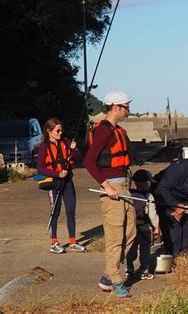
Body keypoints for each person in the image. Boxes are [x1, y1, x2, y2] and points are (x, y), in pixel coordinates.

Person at [84, 90, 136, 298]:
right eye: (125, 107)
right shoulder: (104, 131)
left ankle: (107, 276)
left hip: (124, 186)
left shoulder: (118, 130)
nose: (128, 110)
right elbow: (89, 161)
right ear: (115, 107)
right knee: (115, 236)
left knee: (130, 232)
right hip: (112, 189)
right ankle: (116, 281)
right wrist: (106, 186)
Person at [37, 118, 85, 254]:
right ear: (49, 131)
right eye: (57, 130)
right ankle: (54, 243)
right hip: (53, 181)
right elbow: (40, 168)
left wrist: (74, 150)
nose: (60, 132)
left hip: (68, 180)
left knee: (71, 210)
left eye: (61, 130)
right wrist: (57, 174)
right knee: (55, 212)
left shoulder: (65, 141)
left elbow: (78, 157)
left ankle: (73, 242)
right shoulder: (44, 146)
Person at [126, 169, 160, 280]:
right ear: (146, 183)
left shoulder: (129, 194)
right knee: (145, 249)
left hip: (130, 226)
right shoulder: (148, 196)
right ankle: (144, 270)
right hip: (144, 227)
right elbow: (152, 214)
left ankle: (129, 269)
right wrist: (156, 227)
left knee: (131, 248)